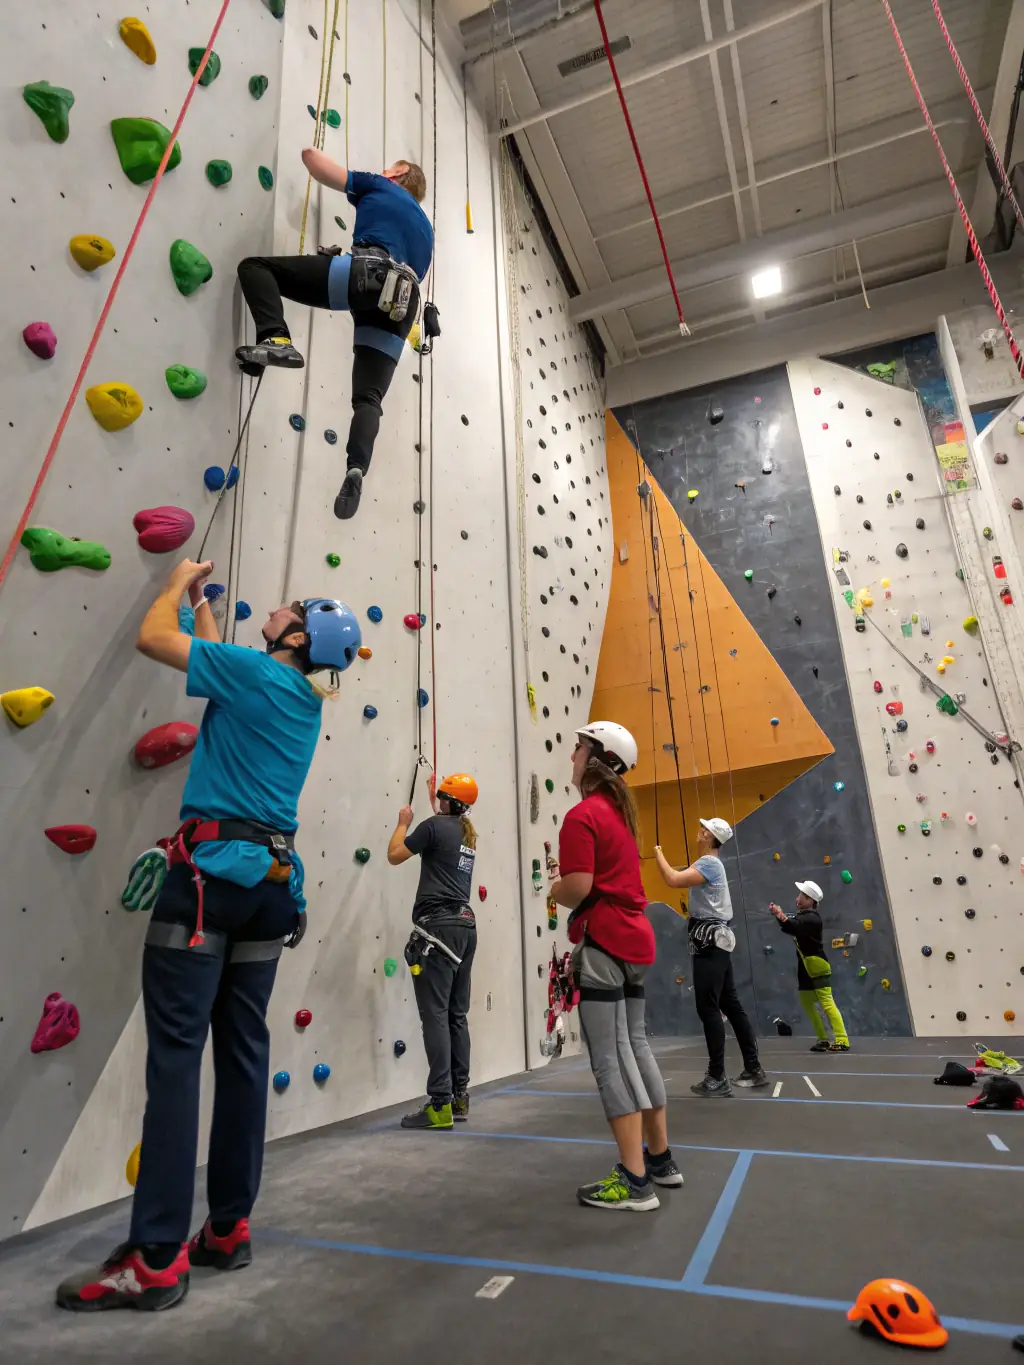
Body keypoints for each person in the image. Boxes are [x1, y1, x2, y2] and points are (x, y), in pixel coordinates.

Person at [56, 563, 361, 1313]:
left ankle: (156, 1256)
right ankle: (226, 1227)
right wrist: (206, 607)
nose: (280, 603)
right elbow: (217, 666)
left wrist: (174, 584)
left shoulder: (256, 674)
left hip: (205, 886)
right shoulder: (289, 691)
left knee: (175, 1061)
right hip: (267, 889)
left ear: (295, 635)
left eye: (290, 606)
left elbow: (153, 639)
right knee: (244, 1054)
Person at [236, 149, 434, 521]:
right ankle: (356, 468)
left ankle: (275, 338)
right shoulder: (426, 231)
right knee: (369, 399)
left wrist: (311, 154)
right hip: (404, 303)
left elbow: (314, 162)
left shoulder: (380, 185)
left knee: (257, 268)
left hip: (366, 273)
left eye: (389, 165)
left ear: (399, 172)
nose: (384, 167)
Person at [549, 722, 682, 1211]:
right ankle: (660, 1159)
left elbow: (578, 886)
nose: (572, 756)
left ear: (596, 758)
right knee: (634, 1045)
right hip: (635, 940)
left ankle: (633, 1177)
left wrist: (552, 890)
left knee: (608, 1057)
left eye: (579, 748)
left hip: (604, 940)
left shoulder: (583, 815)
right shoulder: (621, 817)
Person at [387, 773, 479, 1131]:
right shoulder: (466, 833)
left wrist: (402, 824)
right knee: (456, 1015)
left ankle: (439, 1105)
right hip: (465, 928)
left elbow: (395, 855)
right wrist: (434, 800)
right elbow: (442, 830)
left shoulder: (431, 827)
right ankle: (459, 1096)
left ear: (446, 802)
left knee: (435, 1016)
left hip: (437, 931)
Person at [654, 818, 767, 1096]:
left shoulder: (709, 864)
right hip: (717, 942)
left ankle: (717, 1076)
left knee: (709, 1009)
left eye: (703, 828)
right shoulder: (708, 864)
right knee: (731, 1004)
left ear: (709, 835)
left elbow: (672, 879)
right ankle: (752, 1068)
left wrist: (656, 851)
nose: (699, 830)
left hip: (709, 946)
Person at [769, 881, 850, 1053]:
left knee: (826, 1002)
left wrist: (780, 914)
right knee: (807, 1002)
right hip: (805, 964)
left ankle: (842, 1039)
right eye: (800, 895)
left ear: (811, 901)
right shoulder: (804, 917)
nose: (798, 899)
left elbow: (793, 926)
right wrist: (780, 916)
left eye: (803, 896)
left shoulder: (812, 919)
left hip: (816, 964)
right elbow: (789, 927)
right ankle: (823, 1039)